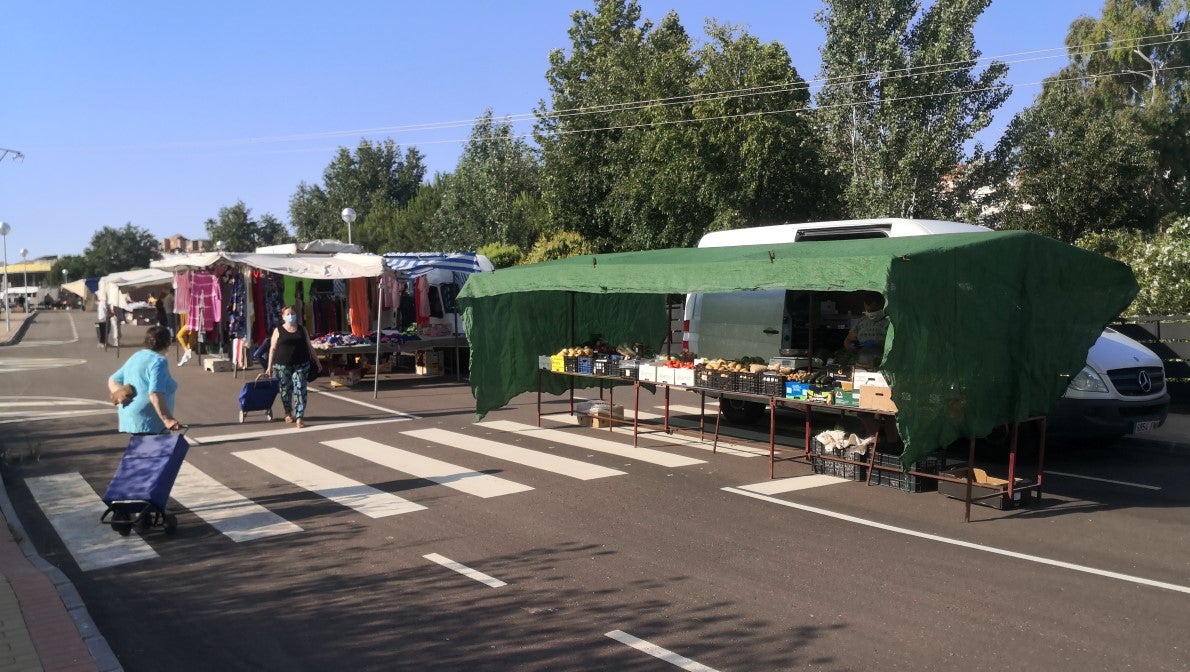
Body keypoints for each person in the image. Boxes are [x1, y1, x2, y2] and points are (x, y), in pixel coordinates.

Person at [107, 326, 182, 434]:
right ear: (167, 343)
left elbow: (113, 379)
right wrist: (168, 419)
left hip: (131, 416)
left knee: (142, 450)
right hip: (150, 420)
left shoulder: (137, 356)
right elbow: (155, 393)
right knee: (157, 450)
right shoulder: (159, 361)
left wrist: (120, 394)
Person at [266, 305, 323, 429]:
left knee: (300, 389)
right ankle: (288, 412)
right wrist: (269, 366)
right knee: (285, 390)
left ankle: (299, 417)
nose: (290, 316)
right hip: (282, 365)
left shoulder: (302, 329)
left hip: (301, 364)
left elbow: (309, 346)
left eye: (292, 313)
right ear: (283, 317)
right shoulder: (278, 330)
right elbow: (273, 348)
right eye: (287, 314)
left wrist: (317, 361)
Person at [843, 291, 890, 368]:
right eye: (868, 310)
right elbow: (847, 340)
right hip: (861, 363)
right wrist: (851, 347)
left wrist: (879, 344)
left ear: (882, 306)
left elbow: (897, 344)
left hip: (883, 365)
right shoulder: (861, 322)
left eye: (873, 311)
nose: (870, 313)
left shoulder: (889, 322)